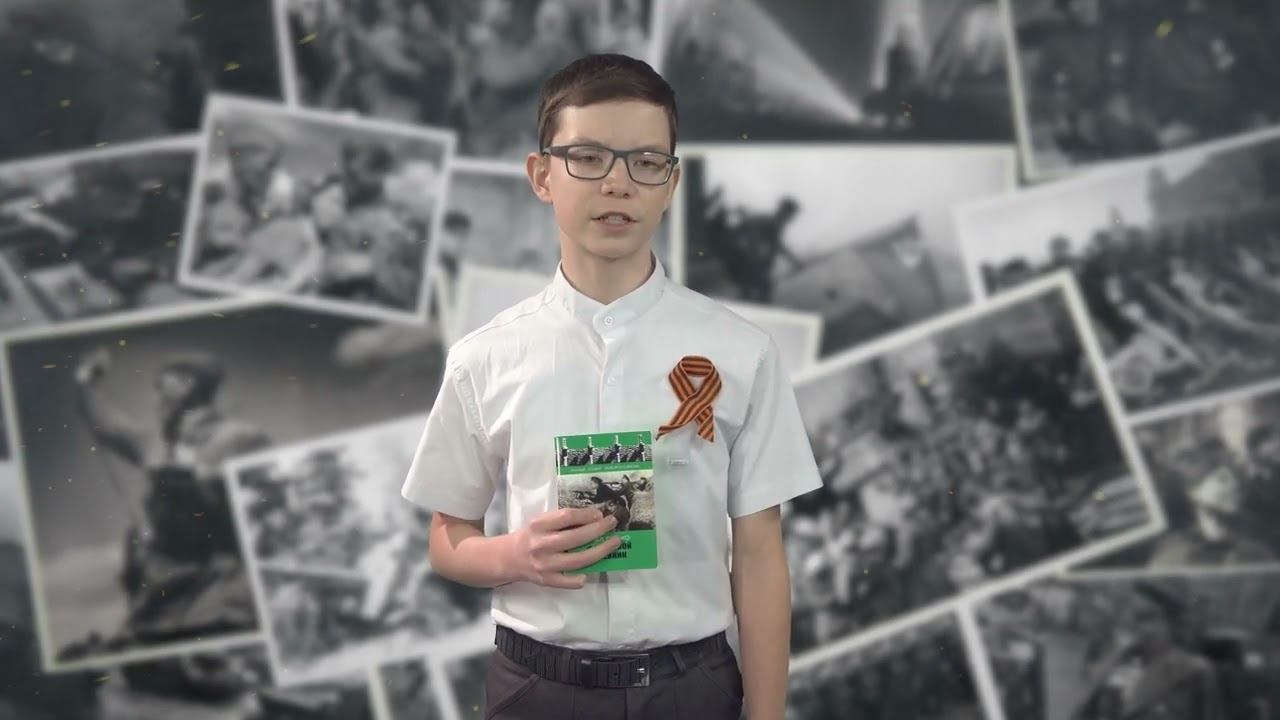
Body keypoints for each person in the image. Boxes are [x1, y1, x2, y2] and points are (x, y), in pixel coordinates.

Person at [401, 53, 823, 719]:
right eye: (588, 158)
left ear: (671, 183)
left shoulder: (742, 353)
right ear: (542, 175)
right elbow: (447, 536)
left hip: (693, 687)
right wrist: (514, 554)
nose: (618, 183)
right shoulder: (484, 358)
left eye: (646, 162)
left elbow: (761, 553)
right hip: (535, 688)